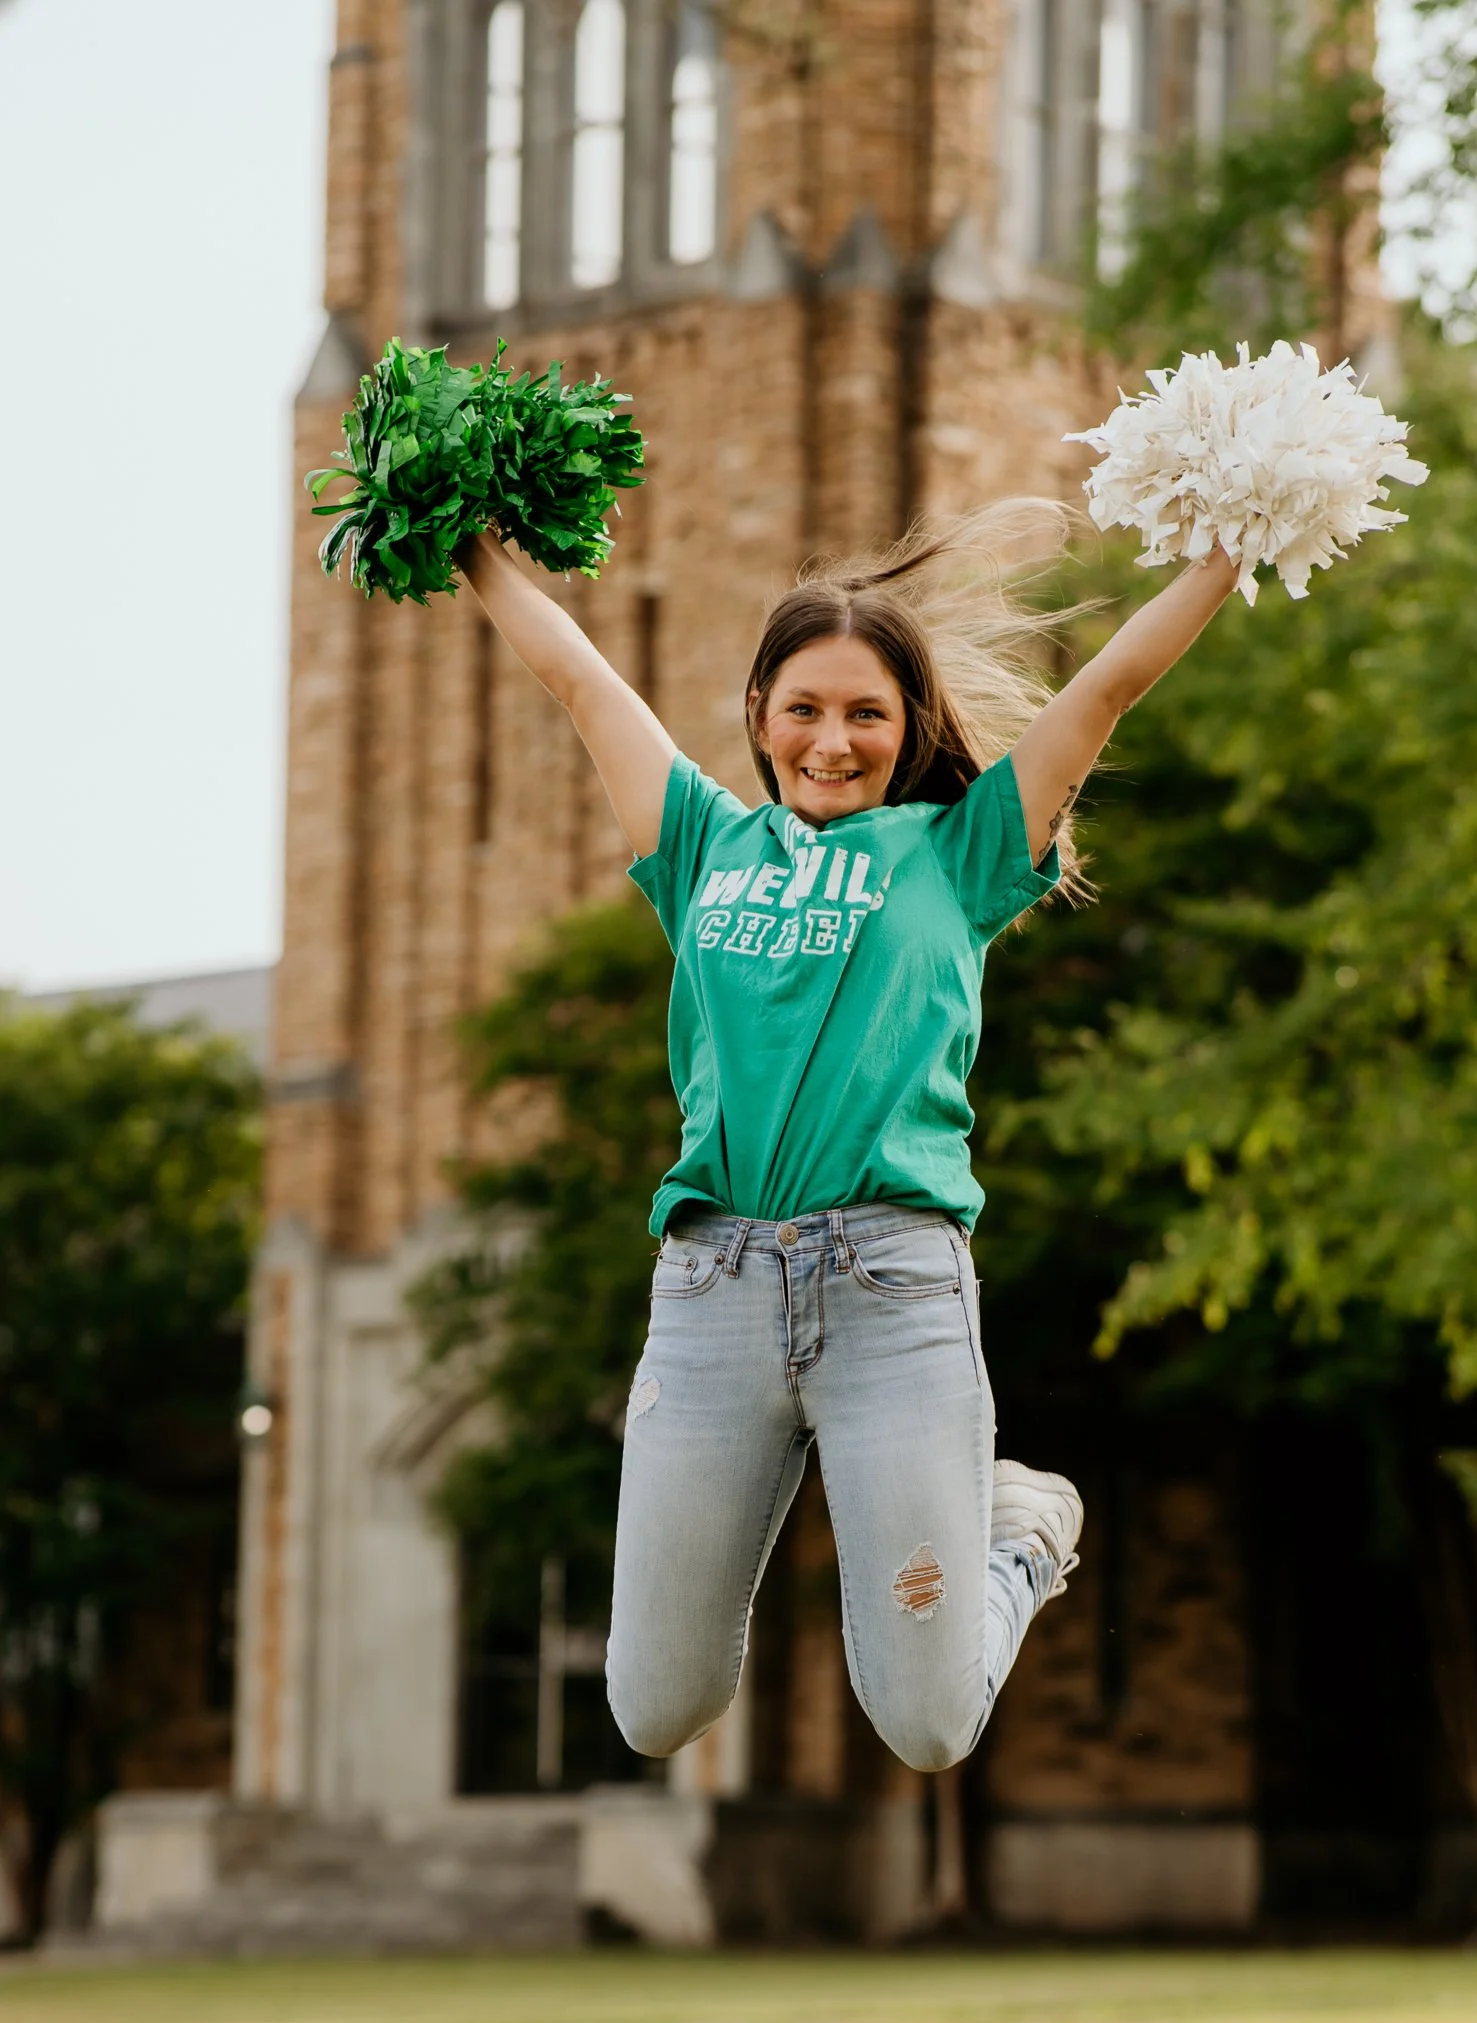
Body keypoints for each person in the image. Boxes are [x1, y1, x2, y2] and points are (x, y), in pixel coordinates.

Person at [461, 503, 1239, 1773]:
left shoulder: (965, 850)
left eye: (867, 713)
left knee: (929, 1727)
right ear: (761, 709)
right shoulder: (701, 841)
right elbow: (576, 671)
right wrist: (470, 547)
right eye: (807, 707)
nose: (834, 740)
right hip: (712, 1290)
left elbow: (1105, 690)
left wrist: (1224, 555)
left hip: (895, 1291)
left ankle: (1020, 1528)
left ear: (906, 728)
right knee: (655, 1708)